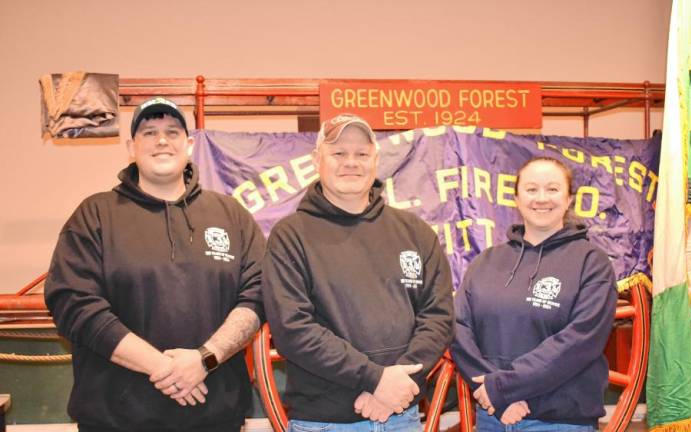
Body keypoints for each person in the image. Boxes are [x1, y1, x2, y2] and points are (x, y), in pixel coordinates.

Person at [44, 97, 266, 432]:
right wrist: (163, 367)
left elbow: (259, 294)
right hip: (116, 422)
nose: (162, 140)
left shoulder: (231, 215)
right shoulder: (95, 216)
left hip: (217, 420)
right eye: (149, 132)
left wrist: (205, 359)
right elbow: (74, 304)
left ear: (189, 145)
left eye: (172, 131)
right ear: (131, 147)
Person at [262, 113, 454, 431]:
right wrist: (375, 378)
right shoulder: (290, 236)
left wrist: (398, 383)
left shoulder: (414, 232)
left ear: (375, 160)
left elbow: (439, 317)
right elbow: (293, 329)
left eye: (362, 154)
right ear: (316, 159)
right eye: (338, 153)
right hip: (324, 421)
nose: (351, 162)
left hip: (402, 416)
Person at [450, 156, 618, 431]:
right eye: (531, 189)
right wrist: (495, 391)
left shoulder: (592, 263)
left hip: (559, 420)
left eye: (552, 189)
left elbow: (580, 341)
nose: (542, 198)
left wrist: (504, 387)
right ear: (516, 199)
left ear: (568, 199)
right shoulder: (486, 262)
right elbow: (459, 329)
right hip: (493, 416)